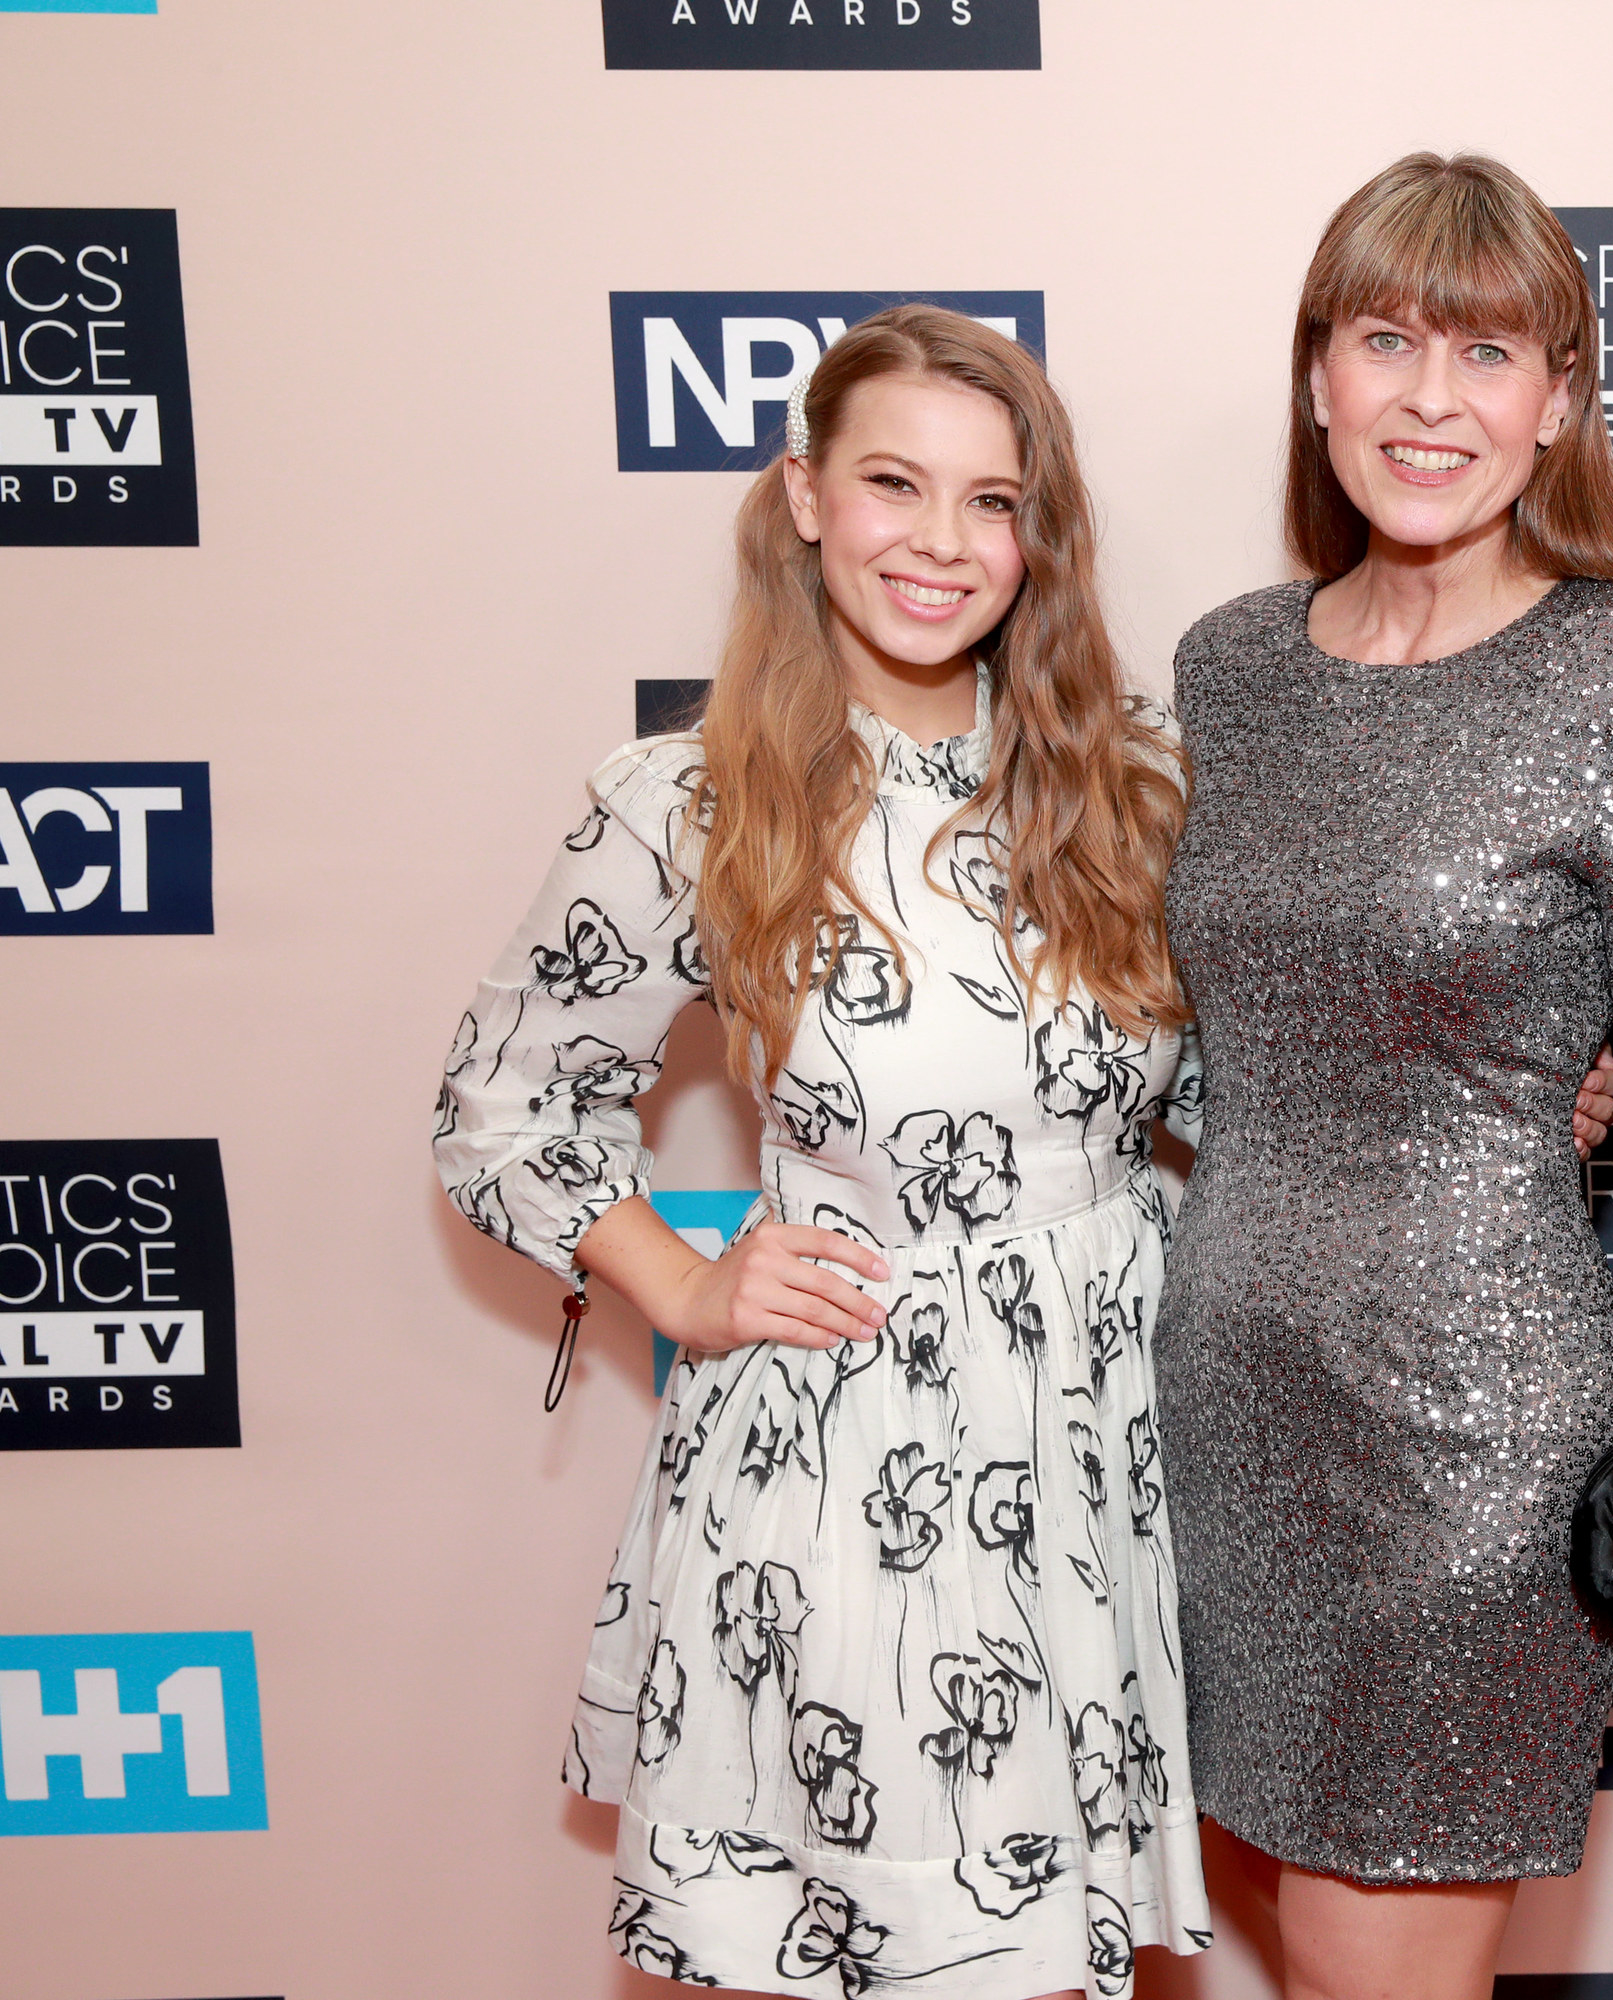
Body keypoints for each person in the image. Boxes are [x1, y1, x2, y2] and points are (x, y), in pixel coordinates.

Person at [434, 305, 1211, 1998]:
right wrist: (689, 1291)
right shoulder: (688, 800)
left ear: (1039, 535)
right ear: (802, 496)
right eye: (893, 485)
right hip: (855, 1452)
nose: (943, 544)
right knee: (869, 1954)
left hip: (1099, 1438)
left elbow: (1239, 1099)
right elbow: (503, 1105)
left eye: (994, 502)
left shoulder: (1134, 792)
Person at [1152, 154, 1613, 2000]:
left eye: (1488, 353)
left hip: (1469, 1426)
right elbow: (1206, 1045)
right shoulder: (1230, 670)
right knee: (1276, 1932)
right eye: (1385, 342)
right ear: (1317, 382)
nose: (1432, 399)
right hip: (1215, 1399)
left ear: (1560, 403)